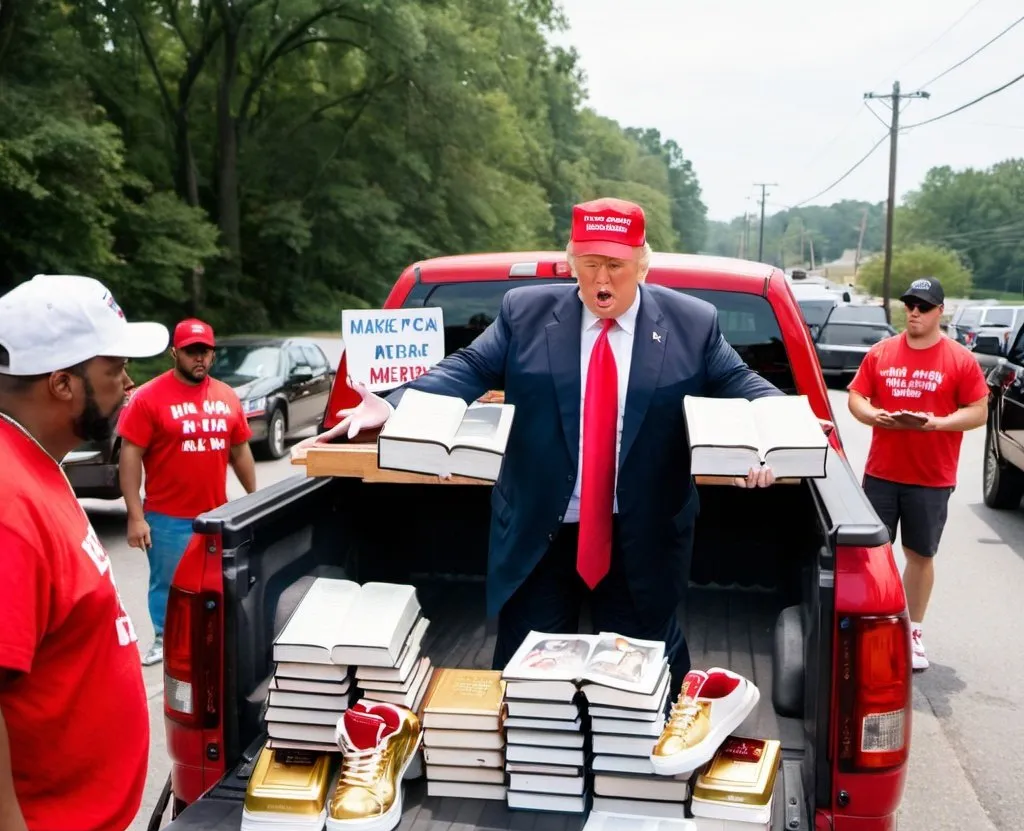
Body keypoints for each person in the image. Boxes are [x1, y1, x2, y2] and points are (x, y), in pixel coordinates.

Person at [302, 197, 783, 684]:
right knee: (526, 685)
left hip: (643, 537)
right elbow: (467, 367)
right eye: (589, 264)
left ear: (642, 264)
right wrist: (392, 403)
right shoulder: (525, 313)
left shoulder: (692, 323)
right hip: (541, 534)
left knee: (643, 688)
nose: (600, 280)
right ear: (571, 261)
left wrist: (780, 433)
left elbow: (744, 384)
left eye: (615, 265)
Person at [0, 274, 167, 831]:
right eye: (113, 369)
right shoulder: (8, 499)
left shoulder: (36, 465)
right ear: (64, 384)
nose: (129, 383)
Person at [847, 276, 987, 671]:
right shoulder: (882, 352)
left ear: (940, 311)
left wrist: (938, 423)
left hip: (931, 476)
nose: (914, 312)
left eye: (923, 307)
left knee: (919, 554)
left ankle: (913, 632)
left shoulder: (959, 359)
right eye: (910, 304)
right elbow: (857, 396)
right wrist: (873, 414)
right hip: (882, 472)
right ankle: (869, 625)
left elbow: (978, 411)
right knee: (872, 553)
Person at [118, 318, 257, 666]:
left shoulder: (226, 396)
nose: (200, 359)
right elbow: (130, 455)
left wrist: (255, 498)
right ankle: (164, 639)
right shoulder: (148, 398)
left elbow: (239, 451)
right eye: (192, 351)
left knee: (217, 584)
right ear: (174, 353)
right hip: (167, 516)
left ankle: (213, 639)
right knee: (169, 584)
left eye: (205, 352)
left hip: (215, 515)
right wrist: (136, 516)